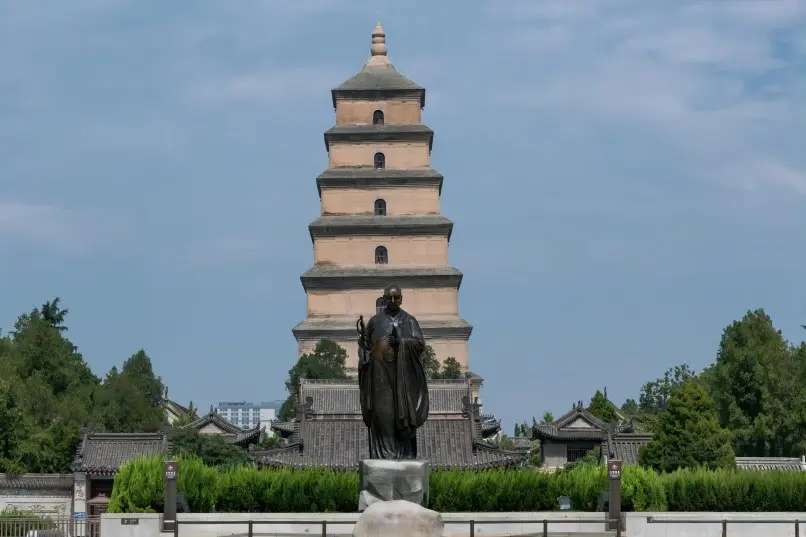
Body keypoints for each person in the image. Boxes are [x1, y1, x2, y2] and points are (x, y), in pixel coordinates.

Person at [357, 284, 430, 459]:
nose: (392, 301)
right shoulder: (375, 321)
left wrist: (402, 342)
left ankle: (402, 452)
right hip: (379, 374)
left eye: (396, 297)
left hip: (402, 375)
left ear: (401, 298)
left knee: (401, 412)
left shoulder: (409, 320)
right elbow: (365, 346)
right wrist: (365, 351)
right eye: (389, 298)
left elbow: (420, 345)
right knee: (382, 412)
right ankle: (384, 453)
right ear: (383, 298)